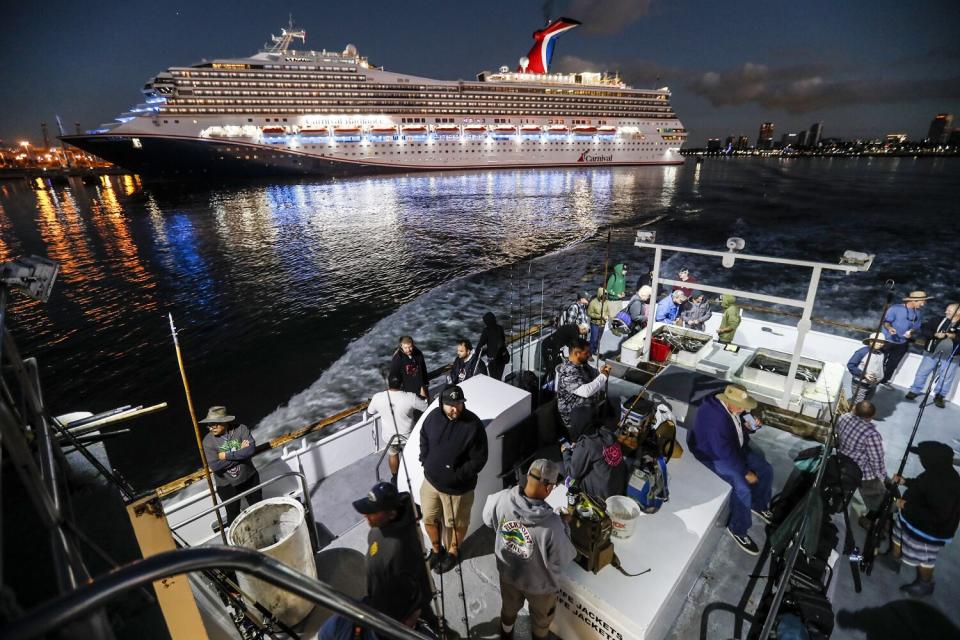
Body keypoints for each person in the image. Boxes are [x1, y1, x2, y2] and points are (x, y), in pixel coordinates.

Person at [482, 459, 576, 640]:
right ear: (549, 489)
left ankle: (506, 635)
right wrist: (565, 524)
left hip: (509, 576)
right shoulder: (553, 525)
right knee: (541, 621)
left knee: (508, 610)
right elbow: (563, 557)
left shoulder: (501, 498)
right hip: (539, 588)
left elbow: (487, 519)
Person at [687, 385, 773, 555]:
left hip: (735, 447)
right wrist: (745, 472)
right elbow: (723, 453)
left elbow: (738, 429)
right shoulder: (715, 419)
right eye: (741, 405)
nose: (744, 409)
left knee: (765, 469)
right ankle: (737, 529)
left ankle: (758, 504)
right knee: (742, 488)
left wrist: (751, 426)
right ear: (727, 401)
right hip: (713, 454)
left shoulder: (734, 408)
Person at [419, 385, 488, 574]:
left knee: (455, 524)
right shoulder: (432, 418)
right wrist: (424, 458)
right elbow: (423, 436)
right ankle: (436, 550)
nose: (455, 408)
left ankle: (452, 552)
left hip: (458, 490)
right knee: (429, 518)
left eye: (459, 403)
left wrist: (457, 476)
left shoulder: (473, 425)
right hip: (431, 482)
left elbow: (479, 459)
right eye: (451, 404)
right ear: (442, 403)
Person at [352, 482, 437, 633]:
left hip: (399, 608)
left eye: (373, 512)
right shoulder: (378, 528)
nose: (366, 515)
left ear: (392, 514)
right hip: (379, 594)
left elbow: (412, 589)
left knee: (423, 618)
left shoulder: (401, 549)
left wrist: (409, 617)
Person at [889, 441, 960, 597]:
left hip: (930, 530)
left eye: (922, 457)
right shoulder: (935, 471)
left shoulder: (948, 483)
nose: (920, 460)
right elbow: (922, 485)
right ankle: (892, 559)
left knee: (924, 557)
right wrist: (905, 481)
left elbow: (940, 516)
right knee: (897, 534)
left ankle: (925, 584)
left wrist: (907, 506)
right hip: (910, 519)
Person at [200, 406, 262, 526]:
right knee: (233, 516)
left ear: (225, 422)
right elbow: (215, 466)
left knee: (259, 508)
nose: (211, 427)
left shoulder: (241, 429)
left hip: (249, 477)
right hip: (226, 485)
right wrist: (241, 453)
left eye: (214, 424)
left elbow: (250, 451)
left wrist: (226, 455)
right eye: (209, 424)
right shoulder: (207, 441)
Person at [562, 406, 631, 500]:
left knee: (571, 476)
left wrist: (565, 453)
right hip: (618, 487)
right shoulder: (608, 433)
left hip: (602, 495)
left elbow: (574, 472)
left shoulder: (586, 444)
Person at [368, 376, 428, 483]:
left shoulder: (377, 397)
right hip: (407, 436)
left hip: (389, 436)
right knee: (411, 455)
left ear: (388, 384)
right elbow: (425, 407)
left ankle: (395, 478)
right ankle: (413, 476)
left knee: (393, 455)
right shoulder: (410, 397)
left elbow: (370, 411)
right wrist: (423, 392)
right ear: (401, 384)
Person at [836, 401, 887, 521]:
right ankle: (871, 519)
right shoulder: (872, 435)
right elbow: (876, 460)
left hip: (842, 460)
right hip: (861, 471)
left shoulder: (843, 417)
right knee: (877, 497)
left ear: (854, 409)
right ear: (871, 417)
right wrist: (881, 477)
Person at [905, 302, 959, 408]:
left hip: (952, 357)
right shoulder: (937, 320)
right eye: (946, 309)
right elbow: (924, 329)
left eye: (949, 310)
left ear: (958, 312)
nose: (946, 312)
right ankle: (915, 390)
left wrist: (954, 337)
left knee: (946, 377)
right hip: (931, 353)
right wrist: (935, 334)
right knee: (922, 372)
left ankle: (939, 396)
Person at [556, 338, 611, 429]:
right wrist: (604, 376)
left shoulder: (581, 363)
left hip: (588, 411)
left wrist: (600, 371)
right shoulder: (567, 373)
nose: (589, 355)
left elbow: (593, 373)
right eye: (586, 353)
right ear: (577, 354)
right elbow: (586, 391)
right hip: (574, 420)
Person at [880, 290, 929, 385]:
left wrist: (911, 332)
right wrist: (890, 328)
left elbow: (915, 327)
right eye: (921, 302)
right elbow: (886, 322)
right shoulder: (895, 308)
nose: (923, 304)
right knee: (879, 361)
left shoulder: (918, 313)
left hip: (902, 343)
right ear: (914, 301)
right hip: (887, 340)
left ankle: (884, 381)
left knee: (893, 365)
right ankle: (874, 379)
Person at [846, 332, 887, 403]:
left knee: (867, 401)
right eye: (879, 342)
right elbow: (851, 365)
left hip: (873, 384)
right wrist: (864, 374)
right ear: (871, 342)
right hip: (860, 383)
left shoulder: (882, 352)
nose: (881, 344)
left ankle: (851, 404)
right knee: (859, 404)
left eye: (882, 342)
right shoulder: (862, 352)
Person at [477, 311, 509, 382]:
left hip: (493, 360)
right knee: (499, 377)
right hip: (502, 358)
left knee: (494, 380)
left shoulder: (486, 331)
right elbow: (501, 341)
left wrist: (475, 355)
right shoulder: (500, 328)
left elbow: (480, 345)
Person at [587, 287, 611, 354]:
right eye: (604, 294)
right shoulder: (593, 302)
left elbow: (609, 311)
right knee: (593, 339)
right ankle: (590, 353)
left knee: (598, 339)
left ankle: (594, 351)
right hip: (595, 324)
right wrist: (600, 316)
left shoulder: (607, 302)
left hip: (602, 324)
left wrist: (607, 315)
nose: (605, 296)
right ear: (600, 294)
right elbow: (589, 313)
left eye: (606, 294)